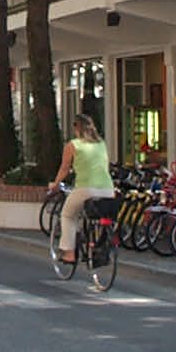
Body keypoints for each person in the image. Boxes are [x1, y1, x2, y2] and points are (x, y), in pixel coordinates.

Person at [49, 113, 113, 264]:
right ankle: (98, 243)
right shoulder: (101, 143)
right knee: (100, 217)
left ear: (76, 128)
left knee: (67, 215)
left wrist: (55, 184)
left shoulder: (73, 145)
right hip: (108, 189)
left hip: (86, 188)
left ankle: (69, 254)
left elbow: (64, 169)